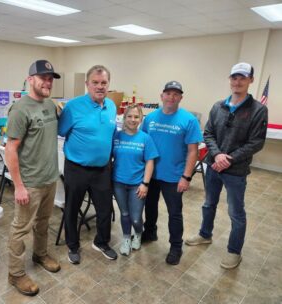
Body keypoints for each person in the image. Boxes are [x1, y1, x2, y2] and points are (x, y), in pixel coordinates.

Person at [186, 62, 268, 269]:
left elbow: (256, 142)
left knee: (236, 212)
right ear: (230, 80)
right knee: (208, 204)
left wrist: (228, 159)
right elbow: (208, 133)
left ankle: (234, 251)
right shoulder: (218, 106)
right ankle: (205, 234)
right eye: (234, 77)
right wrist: (217, 155)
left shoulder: (258, 110)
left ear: (251, 80)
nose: (237, 81)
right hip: (213, 166)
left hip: (236, 171)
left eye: (242, 77)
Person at [5, 60, 61, 296]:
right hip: (30, 182)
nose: (48, 82)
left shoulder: (50, 105)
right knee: (20, 228)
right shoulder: (20, 109)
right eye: (43, 78)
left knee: (43, 221)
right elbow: (10, 149)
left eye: (50, 78)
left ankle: (40, 254)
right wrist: (18, 186)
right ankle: (15, 273)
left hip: (50, 178)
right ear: (30, 80)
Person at [58, 65, 117, 264]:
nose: (99, 86)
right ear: (87, 84)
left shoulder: (111, 106)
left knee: (104, 209)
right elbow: (62, 131)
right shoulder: (73, 107)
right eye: (95, 82)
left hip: (102, 169)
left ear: (108, 84)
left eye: (103, 83)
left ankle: (101, 242)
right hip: (77, 168)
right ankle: (73, 246)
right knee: (72, 209)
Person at [141, 81, 202, 265]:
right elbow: (142, 144)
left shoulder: (189, 120)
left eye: (176, 94)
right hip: (151, 174)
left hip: (174, 177)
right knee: (150, 207)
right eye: (168, 93)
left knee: (175, 213)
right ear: (162, 96)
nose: (171, 97)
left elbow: (193, 151)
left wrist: (186, 176)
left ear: (181, 98)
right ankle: (150, 232)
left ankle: (176, 246)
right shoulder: (150, 118)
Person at [112, 104, 159, 256]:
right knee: (124, 214)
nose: (133, 120)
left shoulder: (146, 138)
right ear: (124, 118)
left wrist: (145, 183)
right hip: (118, 183)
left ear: (141, 119)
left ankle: (138, 233)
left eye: (136, 117)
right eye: (129, 116)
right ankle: (126, 238)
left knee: (136, 218)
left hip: (137, 185)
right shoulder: (116, 136)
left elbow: (150, 162)